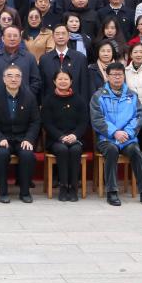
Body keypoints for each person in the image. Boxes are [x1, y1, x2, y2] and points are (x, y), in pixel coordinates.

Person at [91, 62, 142, 206]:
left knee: (136, 152)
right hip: (106, 138)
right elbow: (97, 119)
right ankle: (112, 191)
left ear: (124, 76)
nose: (117, 78)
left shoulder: (132, 95)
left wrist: (127, 133)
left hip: (127, 138)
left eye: (120, 75)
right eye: (114, 75)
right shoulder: (98, 96)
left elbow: (139, 116)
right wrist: (114, 132)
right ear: (107, 77)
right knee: (111, 150)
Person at [0, 66, 40, 203]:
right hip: (2, 139)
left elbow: (35, 121)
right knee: (2, 154)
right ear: (4, 79)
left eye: (17, 76)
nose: (13, 79)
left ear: (21, 79)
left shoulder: (29, 97)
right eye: (9, 76)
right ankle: (3, 192)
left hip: (22, 138)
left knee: (27, 155)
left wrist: (29, 139)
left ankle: (25, 192)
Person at [41, 70, 87, 202]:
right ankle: (63, 186)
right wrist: (61, 137)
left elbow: (83, 122)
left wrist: (75, 135)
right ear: (54, 81)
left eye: (66, 79)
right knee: (62, 149)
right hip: (55, 139)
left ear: (71, 82)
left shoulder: (79, 100)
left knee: (75, 150)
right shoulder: (48, 100)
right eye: (60, 79)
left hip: (75, 139)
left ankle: (73, 188)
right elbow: (47, 123)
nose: (63, 81)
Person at [0, 26, 42, 95]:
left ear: (20, 39)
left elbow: (36, 81)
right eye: (9, 36)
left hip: (25, 99)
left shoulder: (29, 58)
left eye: (15, 36)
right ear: (3, 39)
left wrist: (28, 96)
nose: (12, 39)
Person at [39, 24, 89, 99]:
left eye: (63, 33)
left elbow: (84, 86)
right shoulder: (44, 59)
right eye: (57, 34)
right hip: (51, 102)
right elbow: (42, 86)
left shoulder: (80, 58)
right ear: (53, 37)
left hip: (75, 102)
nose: (60, 36)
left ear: (68, 36)